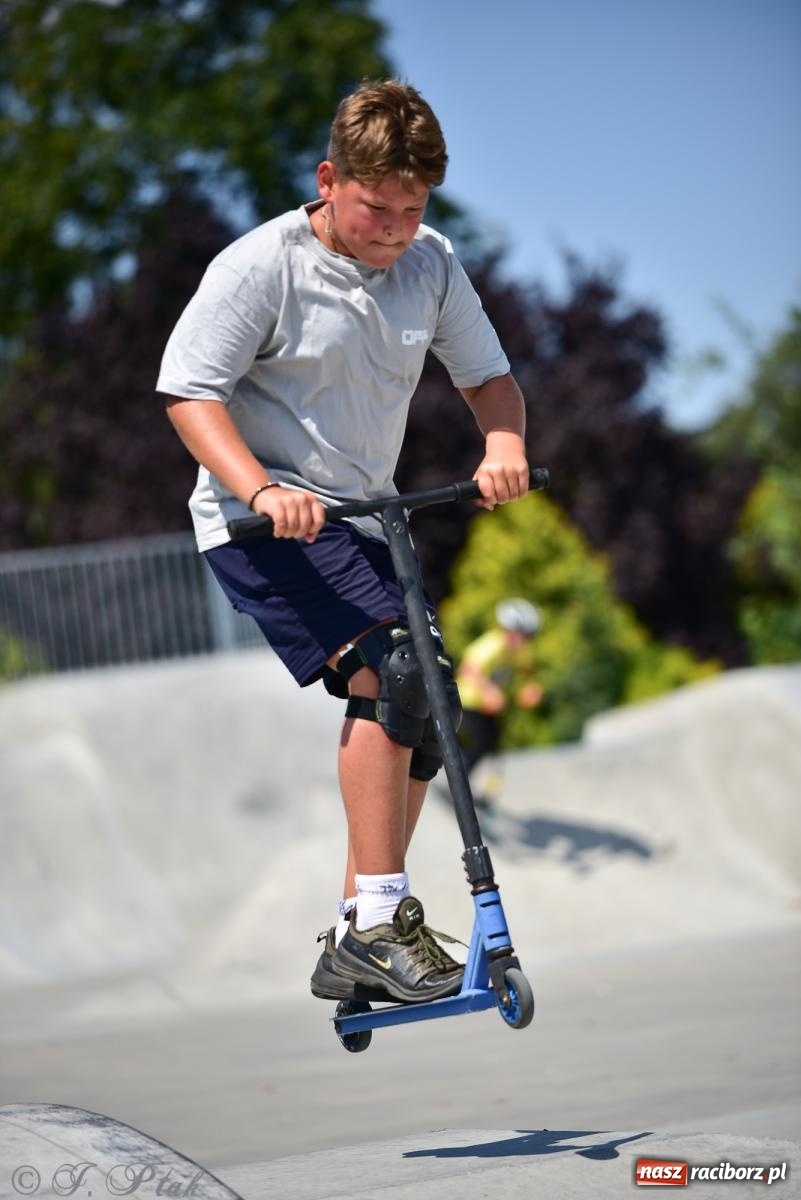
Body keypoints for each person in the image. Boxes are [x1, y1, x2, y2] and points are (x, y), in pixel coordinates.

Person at [157, 79, 530, 1004]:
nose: (397, 229)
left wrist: (505, 443)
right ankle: (375, 919)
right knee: (395, 673)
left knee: (431, 702)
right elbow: (187, 392)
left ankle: (358, 928)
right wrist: (260, 486)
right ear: (329, 180)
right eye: (377, 208)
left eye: (414, 209)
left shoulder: (431, 263)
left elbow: (488, 379)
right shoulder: (261, 268)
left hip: (360, 520)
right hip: (258, 521)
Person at [456, 599, 543, 809]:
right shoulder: (491, 645)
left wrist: (531, 687)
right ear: (511, 631)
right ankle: (457, 785)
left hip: (490, 708)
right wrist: (489, 691)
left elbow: (527, 671)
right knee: (479, 745)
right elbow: (468, 670)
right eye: (524, 635)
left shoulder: (518, 651)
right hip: (469, 703)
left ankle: (471, 788)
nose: (526, 641)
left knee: (492, 747)